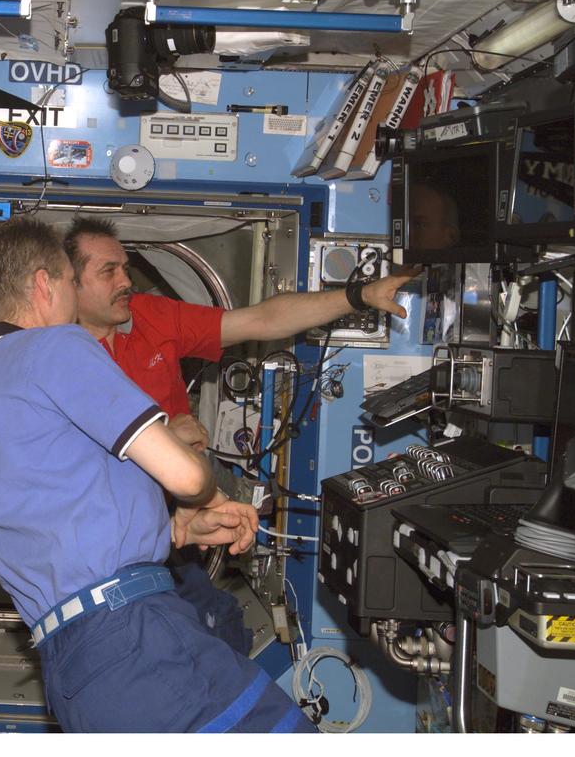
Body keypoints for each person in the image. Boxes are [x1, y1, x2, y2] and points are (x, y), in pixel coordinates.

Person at [0, 217, 317, 733]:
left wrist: (176, 530)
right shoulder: (55, 346)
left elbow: (59, 517)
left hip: (75, 662)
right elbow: (186, 476)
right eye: (70, 280)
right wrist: (206, 494)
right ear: (43, 284)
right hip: (134, 633)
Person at [61, 216, 412, 648]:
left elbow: (261, 321)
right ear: (70, 284)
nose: (126, 281)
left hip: (183, 514)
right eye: (108, 271)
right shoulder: (51, 352)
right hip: (106, 536)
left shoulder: (150, 317)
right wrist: (164, 436)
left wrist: (359, 296)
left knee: (224, 627)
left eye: (125, 268)